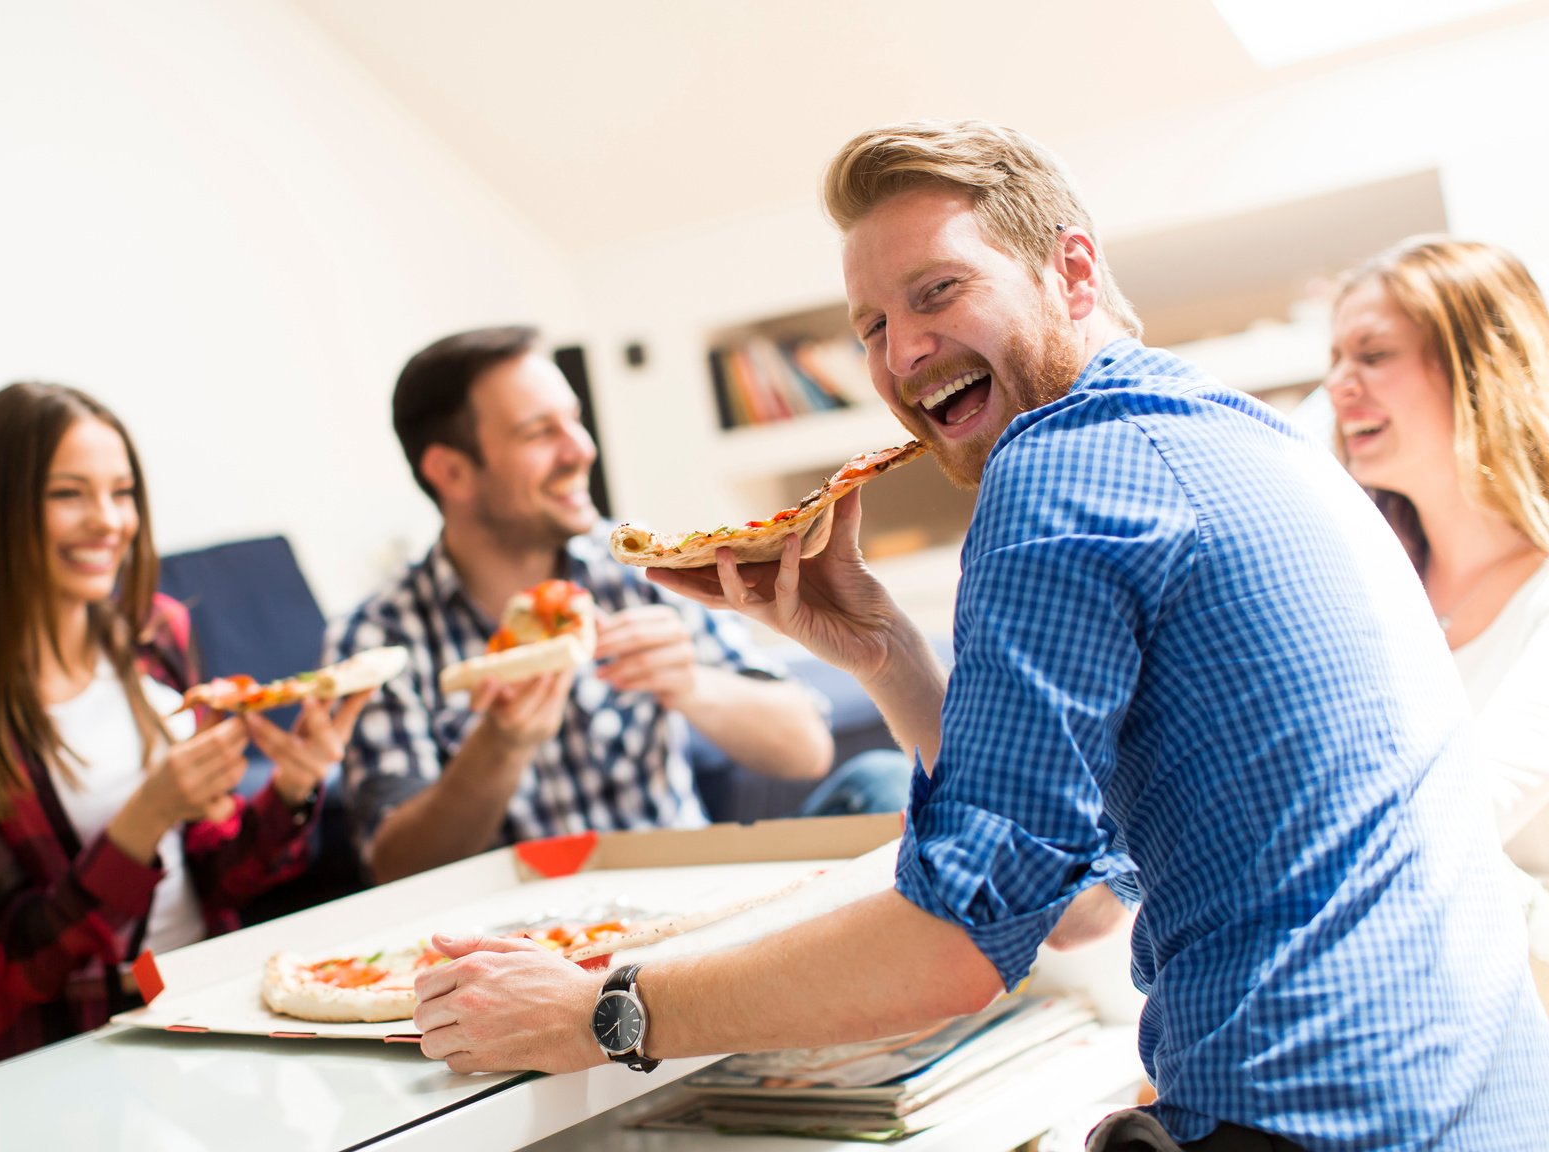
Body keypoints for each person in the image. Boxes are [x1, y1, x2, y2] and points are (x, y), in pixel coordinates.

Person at [410, 122, 1549, 1150]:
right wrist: (884, 654)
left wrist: (605, 1011)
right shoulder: (1246, 434)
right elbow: (1081, 902)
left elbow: (950, 949)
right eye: (871, 324)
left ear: (1072, 271)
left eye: (938, 291)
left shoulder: (1056, 473)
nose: (903, 353)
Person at [0, 382, 369, 1069]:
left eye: (122, 491)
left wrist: (293, 790)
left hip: (212, 1009)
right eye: (68, 493)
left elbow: (222, 875)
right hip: (69, 1054)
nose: (109, 520)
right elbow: (24, 964)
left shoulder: (158, 632)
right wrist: (145, 817)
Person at [326, 326, 906, 884]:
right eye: (538, 432)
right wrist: (498, 746)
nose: (582, 449)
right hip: (528, 947)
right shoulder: (377, 638)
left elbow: (806, 748)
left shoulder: (634, 565)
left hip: (693, 892)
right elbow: (395, 866)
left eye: (573, 421)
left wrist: (691, 684)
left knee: (885, 780)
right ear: (451, 471)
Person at [1325, 236, 1549, 996]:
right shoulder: (1372, 596)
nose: (1339, 385)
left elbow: (1461, 816)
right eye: (1336, 359)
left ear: (1475, 365)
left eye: (1373, 354)